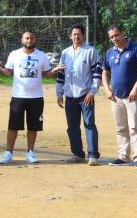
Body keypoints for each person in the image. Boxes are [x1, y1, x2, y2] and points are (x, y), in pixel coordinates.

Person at [0, 31, 63, 164]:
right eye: (27, 38)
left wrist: (55, 70)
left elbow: (46, 74)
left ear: (35, 40)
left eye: (31, 38)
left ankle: (30, 152)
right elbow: (8, 72)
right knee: (13, 126)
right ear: (22, 40)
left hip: (36, 97)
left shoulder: (41, 56)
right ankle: (8, 153)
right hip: (18, 96)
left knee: (33, 127)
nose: (29, 40)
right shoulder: (14, 54)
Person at [102, 24, 137, 169]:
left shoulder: (135, 48)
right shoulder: (110, 52)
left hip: (133, 97)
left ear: (122, 33)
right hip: (116, 97)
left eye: (116, 35)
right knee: (120, 127)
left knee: (134, 127)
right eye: (111, 37)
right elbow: (105, 72)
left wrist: (135, 89)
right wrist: (107, 90)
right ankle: (123, 156)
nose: (114, 39)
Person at [56, 24, 102, 166]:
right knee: (72, 126)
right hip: (70, 96)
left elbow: (97, 73)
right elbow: (60, 73)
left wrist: (92, 92)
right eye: (74, 34)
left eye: (79, 34)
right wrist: (59, 92)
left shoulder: (90, 51)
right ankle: (77, 154)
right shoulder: (65, 53)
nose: (76, 36)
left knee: (89, 124)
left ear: (83, 35)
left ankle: (93, 155)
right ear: (70, 36)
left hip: (85, 95)